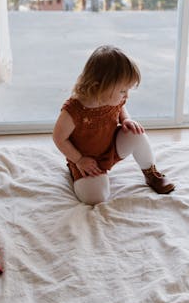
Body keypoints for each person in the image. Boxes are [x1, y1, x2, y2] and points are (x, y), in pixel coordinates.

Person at [53, 45, 175, 205]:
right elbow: (59, 138)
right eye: (123, 91)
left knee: (136, 133)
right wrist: (79, 159)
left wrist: (126, 120)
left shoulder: (112, 98)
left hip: (111, 149)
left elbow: (121, 108)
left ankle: (151, 173)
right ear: (99, 87)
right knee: (95, 198)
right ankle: (77, 172)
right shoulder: (75, 110)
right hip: (86, 159)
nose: (126, 96)